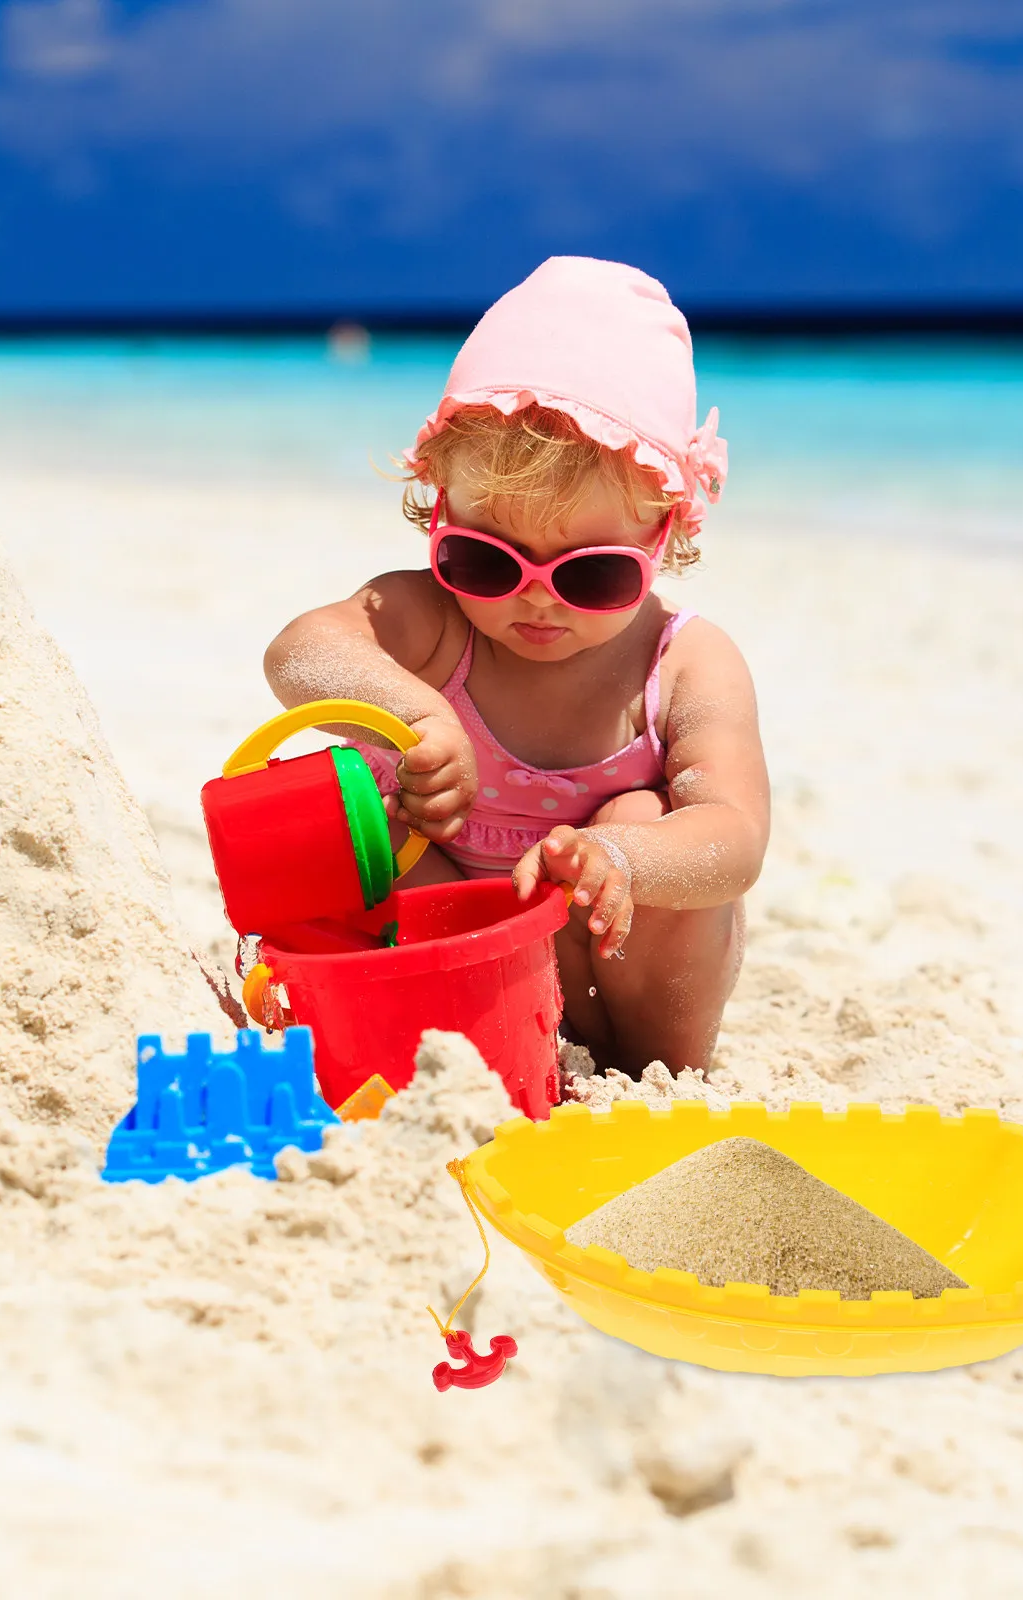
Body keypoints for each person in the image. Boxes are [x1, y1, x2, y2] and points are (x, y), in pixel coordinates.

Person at [265, 257, 770, 1076]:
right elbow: (299, 653)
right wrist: (415, 715)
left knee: (641, 817)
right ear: (438, 513)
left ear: (666, 539)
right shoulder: (435, 623)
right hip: (459, 970)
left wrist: (624, 864)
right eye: (486, 561)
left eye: (590, 573)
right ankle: (408, 1038)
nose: (536, 600)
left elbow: (737, 838)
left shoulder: (683, 664)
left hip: (620, 983)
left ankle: (653, 1070)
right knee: (347, 792)